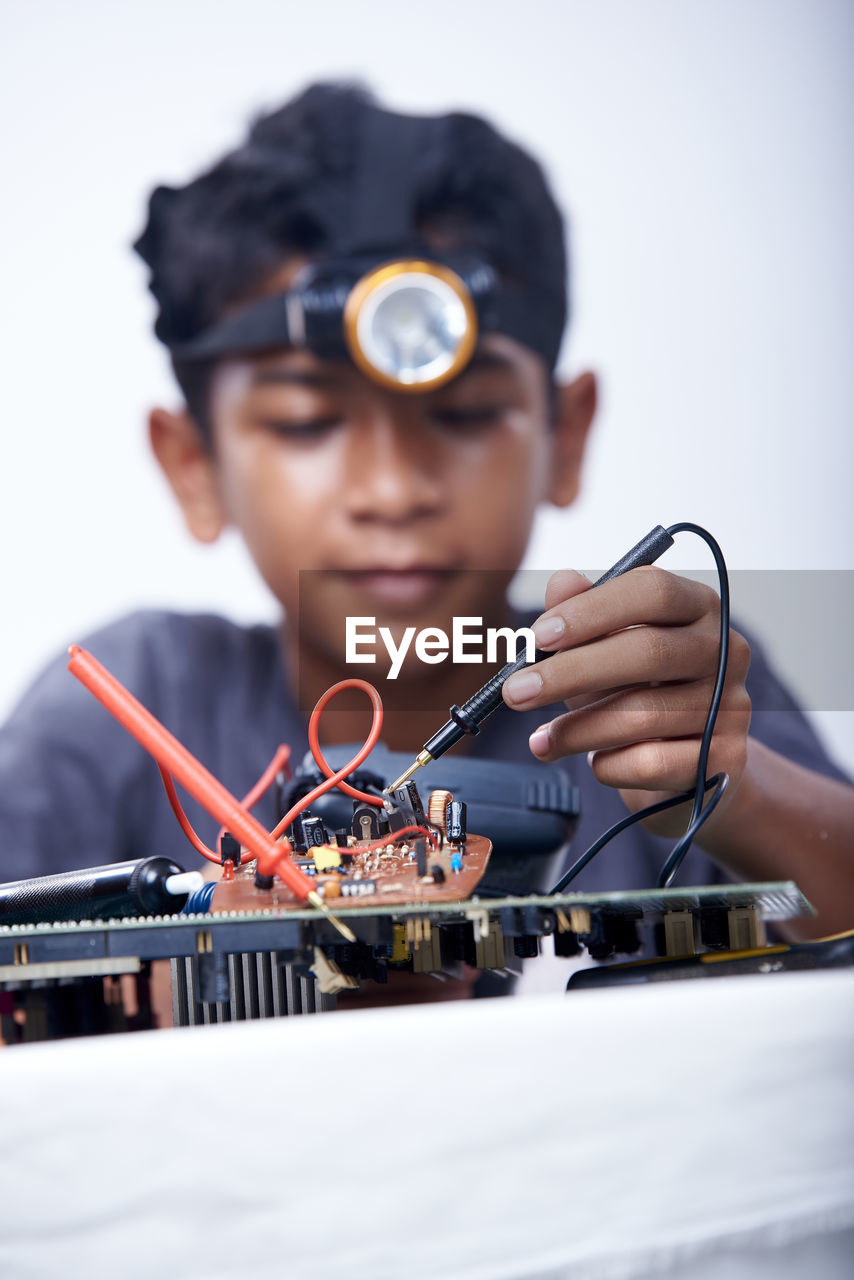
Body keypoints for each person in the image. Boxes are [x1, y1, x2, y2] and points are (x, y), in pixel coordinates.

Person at [1, 82, 852, 962]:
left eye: (467, 414)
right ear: (194, 466)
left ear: (566, 437)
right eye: (305, 423)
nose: (394, 488)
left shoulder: (673, 696)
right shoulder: (127, 709)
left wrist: (743, 797)